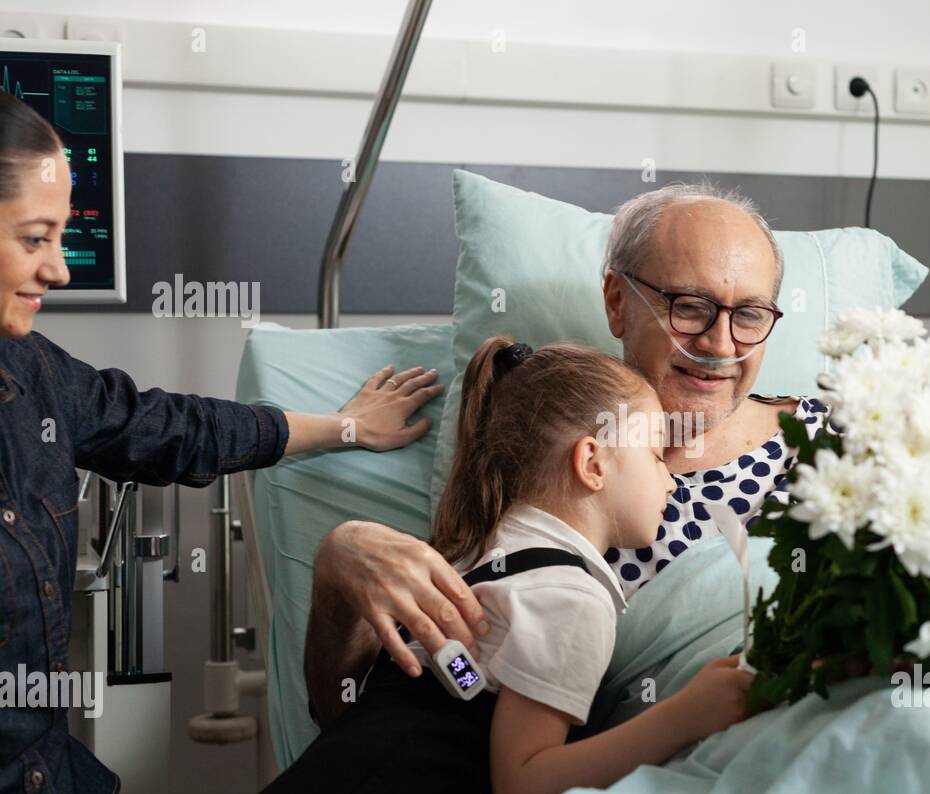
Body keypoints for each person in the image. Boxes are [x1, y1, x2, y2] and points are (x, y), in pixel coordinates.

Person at [0, 92, 444, 794]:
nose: (60, 267)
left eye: (63, 236)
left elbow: (174, 428)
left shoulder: (36, 378)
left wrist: (346, 427)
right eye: (36, 237)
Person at [207, 336, 756, 794]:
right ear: (593, 463)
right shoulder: (571, 598)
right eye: (657, 456)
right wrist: (687, 715)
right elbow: (522, 783)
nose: (673, 483)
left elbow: (413, 703)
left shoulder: (468, 557)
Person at [303, 182, 828, 729]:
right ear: (617, 302)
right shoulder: (539, 457)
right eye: (690, 308)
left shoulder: (846, 442)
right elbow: (369, 711)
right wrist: (340, 566)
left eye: (747, 315)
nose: (721, 345)